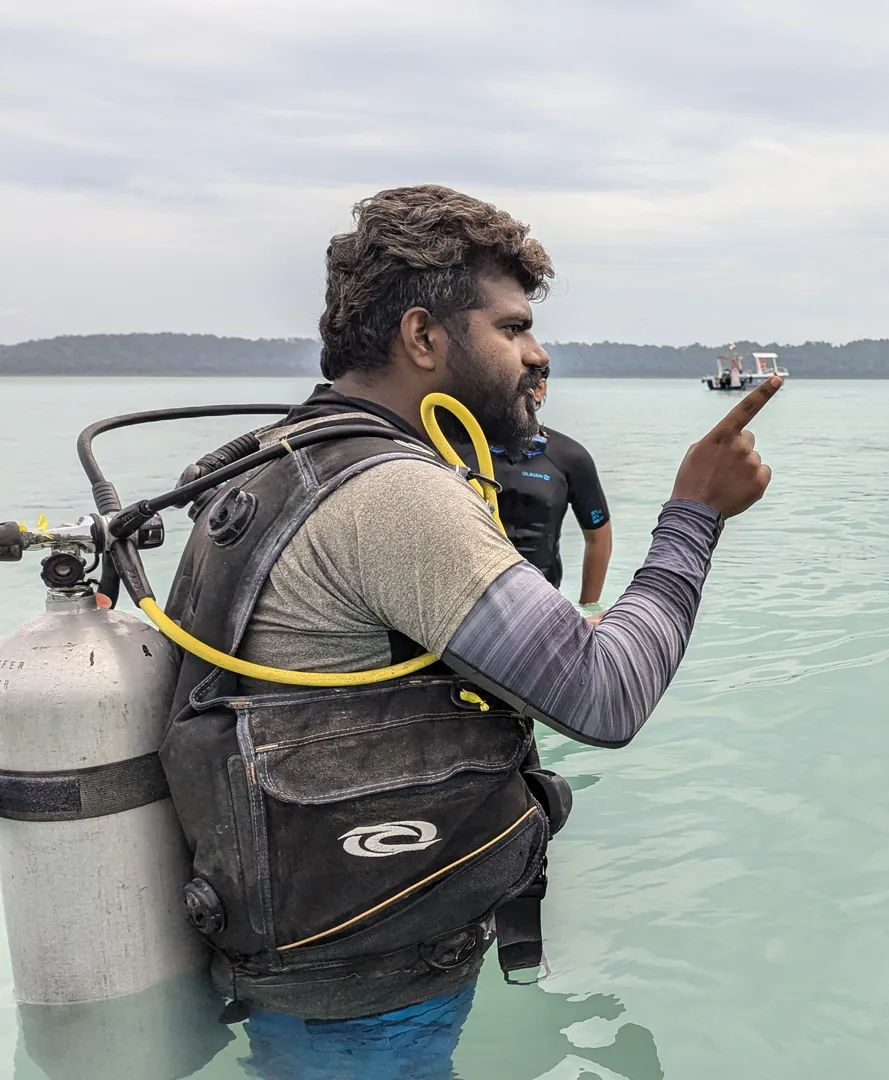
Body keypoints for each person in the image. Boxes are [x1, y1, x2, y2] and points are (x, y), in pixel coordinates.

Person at [157, 185, 778, 1060]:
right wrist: (694, 513)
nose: (537, 352)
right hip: (362, 993)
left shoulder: (279, 463)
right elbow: (604, 696)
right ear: (423, 337)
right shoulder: (397, 495)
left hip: (302, 959)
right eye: (514, 327)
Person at [487, 369, 614, 606]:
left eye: (517, 385)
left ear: (540, 389)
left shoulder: (570, 457)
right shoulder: (459, 449)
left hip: (542, 602)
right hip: (471, 604)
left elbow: (599, 537)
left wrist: (587, 608)